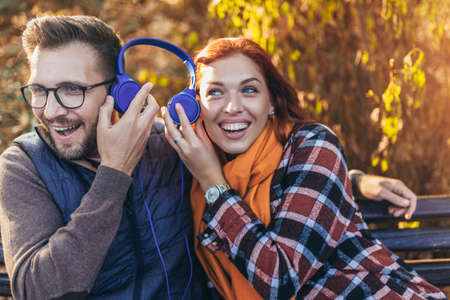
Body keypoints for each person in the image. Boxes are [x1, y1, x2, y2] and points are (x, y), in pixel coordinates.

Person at [162, 37, 445, 299]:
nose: (232, 107)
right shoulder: (194, 164)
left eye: (249, 90)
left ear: (272, 101)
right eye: (215, 93)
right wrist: (356, 182)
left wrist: (214, 185)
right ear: (195, 105)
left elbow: (279, 279)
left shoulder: (312, 143)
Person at [0, 15, 208, 299]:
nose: (50, 111)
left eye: (72, 89)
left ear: (118, 92)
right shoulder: (23, 165)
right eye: (39, 91)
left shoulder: (170, 145)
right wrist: (114, 172)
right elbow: (36, 290)